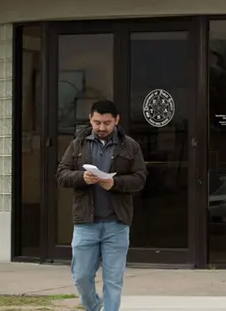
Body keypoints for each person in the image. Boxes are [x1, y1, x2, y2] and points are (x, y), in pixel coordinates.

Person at [56, 99, 147, 311]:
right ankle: (95, 307)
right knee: (81, 277)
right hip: (85, 223)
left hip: (117, 223)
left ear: (117, 120)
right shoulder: (78, 144)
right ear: (90, 119)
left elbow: (140, 179)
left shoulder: (130, 146)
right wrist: (81, 177)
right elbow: (61, 175)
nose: (101, 128)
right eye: (97, 122)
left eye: (107, 123)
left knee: (113, 282)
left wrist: (116, 183)